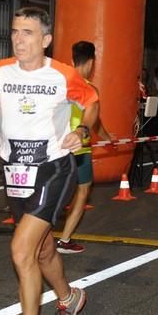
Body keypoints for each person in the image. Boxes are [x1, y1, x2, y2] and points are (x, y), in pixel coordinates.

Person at [0, 7, 98, 315]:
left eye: (27, 33)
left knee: (21, 249)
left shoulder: (63, 74)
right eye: (15, 32)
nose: (18, 39)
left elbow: (90, 104)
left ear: (45, 40)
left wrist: (83, 131)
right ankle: (69, 297)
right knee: (43, 250)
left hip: (53, 170)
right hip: (14, 173)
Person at [56, 41, 112, 254]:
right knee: (82, 192)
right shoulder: (89, 89)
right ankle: (65, 240)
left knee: (56, 192)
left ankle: (39, 236)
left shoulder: (60, 84)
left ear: (72, 60)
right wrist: (108, 138)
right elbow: (94, 120)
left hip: (57, 147)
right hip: (80, 149)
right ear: (91, 62)